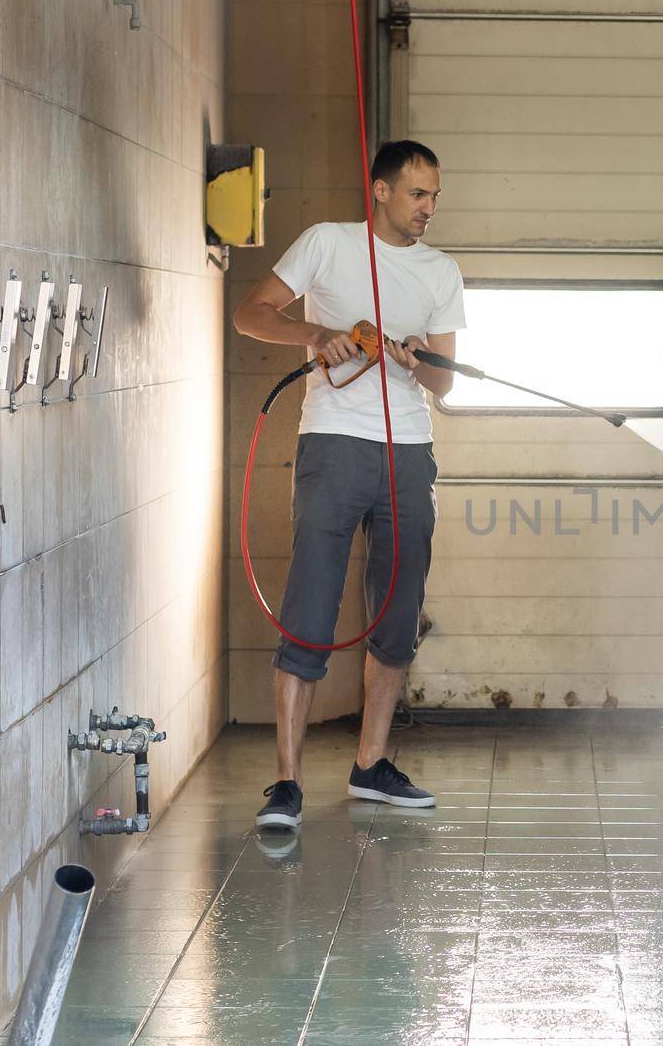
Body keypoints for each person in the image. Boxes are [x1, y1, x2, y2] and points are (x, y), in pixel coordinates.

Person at [233, 140, 463, 828]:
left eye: (434, 197)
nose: (427, 208)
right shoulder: (327, 244)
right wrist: (319, 333)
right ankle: (286, 783)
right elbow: (252, 313)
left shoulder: (440, 271)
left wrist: (415, 358)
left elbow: (446, 380)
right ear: (381, 190)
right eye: (417, 193)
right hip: (334, 443)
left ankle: (370, 764)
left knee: (396, 610)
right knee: (310, 603)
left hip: (409, 453)